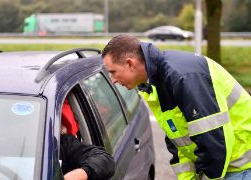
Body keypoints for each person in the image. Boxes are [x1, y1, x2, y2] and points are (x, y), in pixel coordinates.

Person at [102, 34, 251, 180]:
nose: (113, 80)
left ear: (130, 64)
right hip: (226, 165)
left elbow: (214, 141)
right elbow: (179, 139)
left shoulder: (184, 77)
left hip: (240, 165)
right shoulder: (155, 83)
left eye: (113, 72)